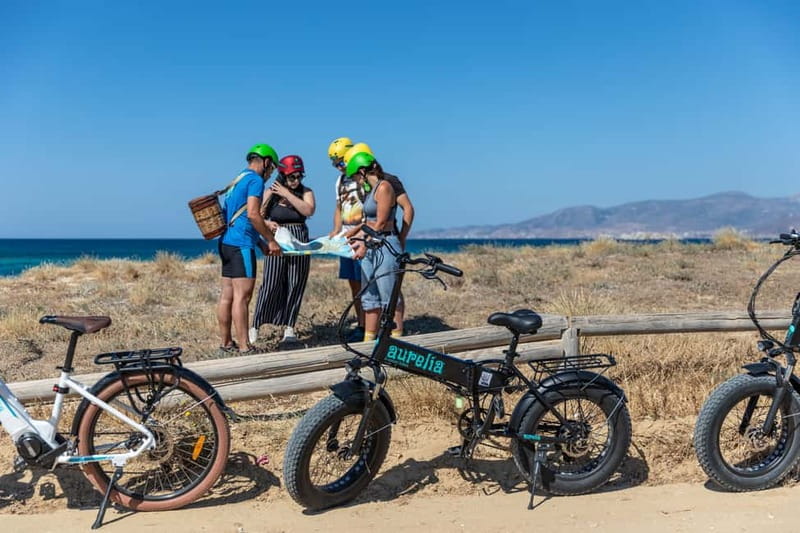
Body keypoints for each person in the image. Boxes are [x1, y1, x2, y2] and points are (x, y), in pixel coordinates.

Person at [342, 143, 415, 336]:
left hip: (383, 245)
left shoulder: (385, 187)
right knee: (369, 296)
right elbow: (369, 220)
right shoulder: (371, 189)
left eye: (355, 176)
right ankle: (369, 338)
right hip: (370, 244)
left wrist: (400, 239)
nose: (355, 181)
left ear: (363, 171)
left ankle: (397, 339)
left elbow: (381, 224)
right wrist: (353, 232)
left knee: (389, 295)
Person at [217, 143, 282, 355]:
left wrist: (261, 244)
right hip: (241, 246)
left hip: (226, 243)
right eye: (271, 168)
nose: (271, 173)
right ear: (265, 162)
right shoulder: (255, 180)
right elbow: (253, 214)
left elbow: (239, 216)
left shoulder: (239, 179)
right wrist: (271, 240)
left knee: (227, 295)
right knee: (242, 297)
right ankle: (245, 346)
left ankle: (226, 343)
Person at [250, 154, 316, 346]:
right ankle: (255, 325)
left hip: (299, 238)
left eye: (299, 176)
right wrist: (268, 223)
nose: (296, 181)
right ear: (282, 175)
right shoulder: (271, 192)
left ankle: (289, 327)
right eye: (291, 177)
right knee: (271, 282)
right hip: (277, 239)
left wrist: (287, 194)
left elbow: (308, 210)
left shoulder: (306, 191)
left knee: (296, 282)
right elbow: (258, 214)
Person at [327, 137, 367, 340]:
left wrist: (360, 230)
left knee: (366, 280)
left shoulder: (362, 177)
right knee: (353, 282)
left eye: (341, 162)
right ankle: (361, 323)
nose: (339, 167)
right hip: (346, 237)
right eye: (335, 164)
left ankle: (372, 325)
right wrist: (336, 230)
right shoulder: (340, 181)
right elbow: (338, 207)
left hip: (362, 236)